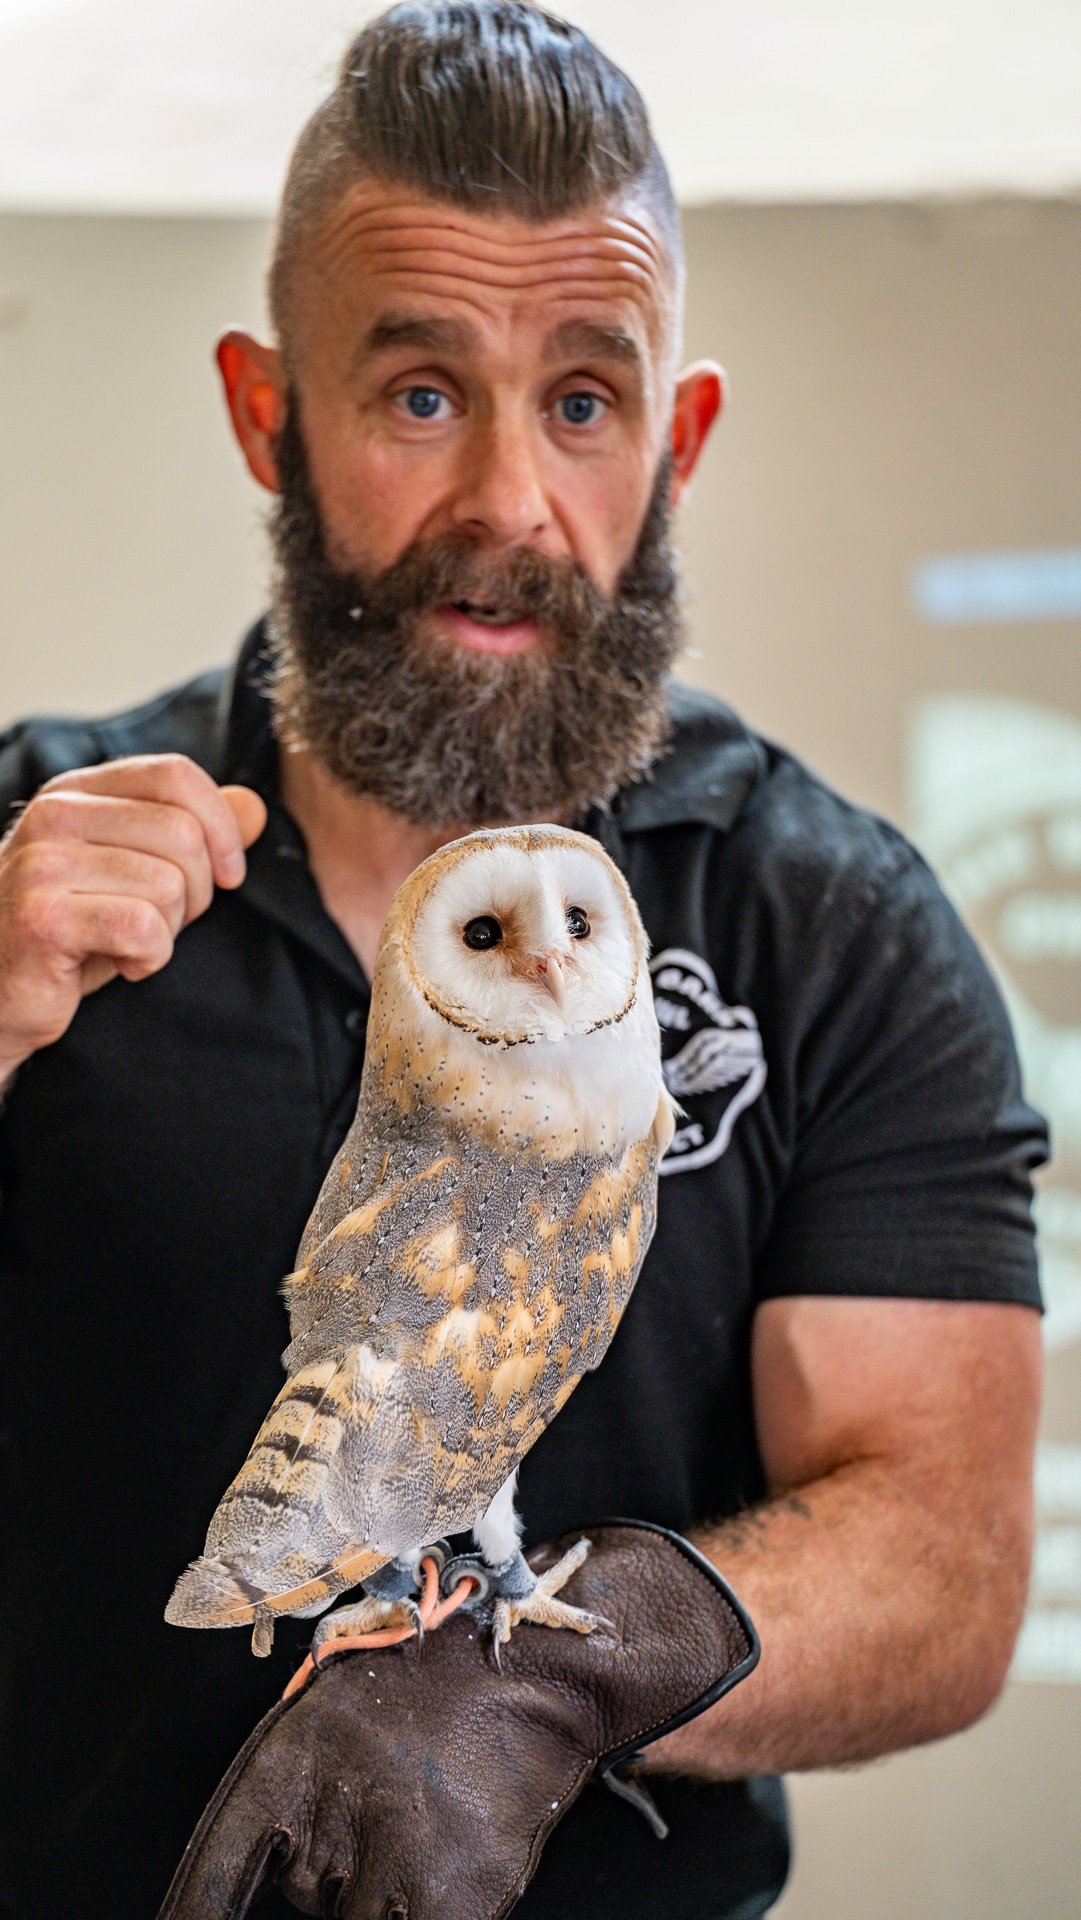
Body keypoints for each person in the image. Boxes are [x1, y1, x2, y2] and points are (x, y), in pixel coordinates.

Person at [0, 5, 1046, 1916]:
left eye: (583, 398)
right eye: (417, 394)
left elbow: (945, 1564)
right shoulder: (26, 864)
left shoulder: (830, 923)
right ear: (265, 411)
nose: (505, 500)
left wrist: (556, 1673)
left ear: (678, 433)